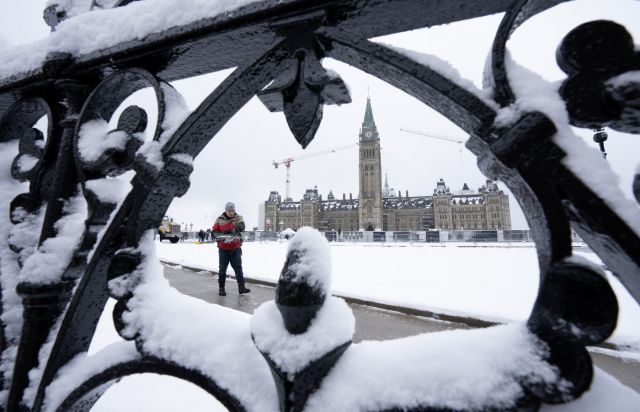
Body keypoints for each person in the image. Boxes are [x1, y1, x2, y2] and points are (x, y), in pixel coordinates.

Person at [212, 202, 250, 296]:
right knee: (222, 269)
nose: (231, 212)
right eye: (229, 211)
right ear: (226, 211)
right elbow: (214, 231)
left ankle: (242, 287)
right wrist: (217, 234)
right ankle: (221, 288)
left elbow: (242, 226)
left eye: (233, 210)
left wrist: (234, 230)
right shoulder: (219, 219)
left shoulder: (238, 217)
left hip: (235, 248)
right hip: (223, 249)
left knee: (238, 268)